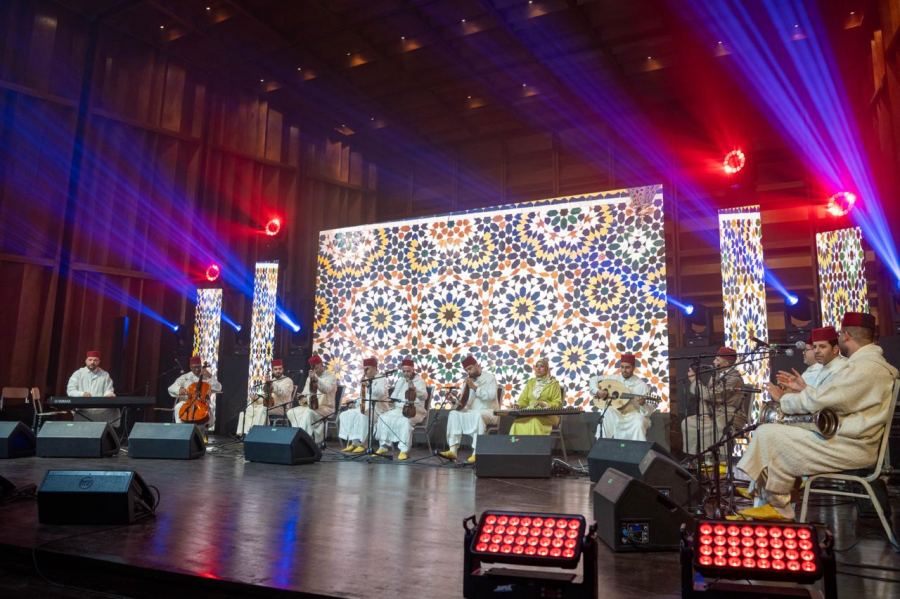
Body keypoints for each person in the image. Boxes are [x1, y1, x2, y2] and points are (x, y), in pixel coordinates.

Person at [737, 312, 898, 520]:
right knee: (774, 434)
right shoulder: (866, 366)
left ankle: (778, 505)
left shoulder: (866, 368)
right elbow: (830, 399)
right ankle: (774, 500)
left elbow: (823, 402)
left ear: (846, 336)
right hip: (846, 439)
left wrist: (784, 399)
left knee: (768, 434)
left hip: (852, 446)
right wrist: (802, 392)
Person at [681, 347, 745, 457]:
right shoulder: (716, 375)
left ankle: (720, 457)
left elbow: (711, 396)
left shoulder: (734, 379)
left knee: (719, 426)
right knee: (687, 423)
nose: (714, 362)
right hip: (713, 413)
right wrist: (705, 413)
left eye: (717, 360)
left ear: (726, 363)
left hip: (731, 414)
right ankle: (697, 456)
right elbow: (705, 397)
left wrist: (695, 381)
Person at [438, 355, 499, 464]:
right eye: (466, 370)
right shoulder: (468, 381)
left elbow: (491, 396)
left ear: (477, 365)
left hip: (489, 412)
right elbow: (466, 403)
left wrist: (474, 388)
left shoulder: (490, 378)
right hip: (472, 412)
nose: (469, 372)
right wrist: (454, 401)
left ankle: (476, 453)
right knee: (453, 413)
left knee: (477, 416)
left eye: (470, 368)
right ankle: (453, 450)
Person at [769, 327, 847, 400]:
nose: (816, 351)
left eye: (822, 347)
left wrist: (783, 398)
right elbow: (815, 396)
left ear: (835, 349)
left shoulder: (843, 368)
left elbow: (822, 401)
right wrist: (798, 387)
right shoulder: (824, 367)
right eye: (815, 347)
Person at [590, 353, 654, 441]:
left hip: (633, 416)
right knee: (607, 411)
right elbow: (593, 379)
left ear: (633, 368)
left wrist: (643, 405)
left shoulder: (642, 385)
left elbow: (649, 412)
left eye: (627, 367)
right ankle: (603, 445)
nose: (624, 370)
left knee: (639, 421)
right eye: (622, 367)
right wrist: (597, 391)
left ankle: (636, 448)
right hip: (617, 413)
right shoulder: (614, 379)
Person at [374, 358, 427, 460]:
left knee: (405, 421)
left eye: (408, 371)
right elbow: (394, 396)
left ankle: (404, 450)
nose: (406, 373)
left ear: (413, 370)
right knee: (383, 417)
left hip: (415, 411)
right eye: (404, 371)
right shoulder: (401, 381)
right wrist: (390, 402)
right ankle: (383, 446)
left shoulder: (419, 381)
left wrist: (415, 390)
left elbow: (424, 396)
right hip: (399, 409)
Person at [339, 357, 388, 453]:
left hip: (378, 409)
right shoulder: (365, 379)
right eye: (364, 369)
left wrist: (368, 385)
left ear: (374, 368)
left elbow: (380, 393)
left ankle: (363, 444)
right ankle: (354, 442)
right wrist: (355, 403)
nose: (365, 372)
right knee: (347, 414)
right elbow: (363, 396)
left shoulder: (381, 378)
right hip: (365, 407)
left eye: (367, 369)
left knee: (362, 415)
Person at [287, 355, 336, 445]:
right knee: (291, 412)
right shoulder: (309, 378)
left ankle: (303, 441)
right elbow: (306, 393)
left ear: (321, 364)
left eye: (316, 368)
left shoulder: (331, 377)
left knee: (308, 413)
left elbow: (326, 390)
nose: (315, 371)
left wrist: (316, 379)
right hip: (311, 406)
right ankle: (298, 437)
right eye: (313, 368)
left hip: (326, 408)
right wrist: (302, 398)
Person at [508, 357, 563, 436]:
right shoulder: (531, 382)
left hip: (548, 416)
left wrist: (545, 404)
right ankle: (515, 443)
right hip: (530, 414)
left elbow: (558, 403)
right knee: (516, 423)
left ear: (547, 369)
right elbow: (524, 400)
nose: (538, 369)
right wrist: (518, 405)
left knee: (534, 422)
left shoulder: (554, 384)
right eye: (537, 366)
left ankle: (535, 444)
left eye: (542, 366)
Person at [238, 359, 293, 434]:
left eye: (280, 369)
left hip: (281, 407)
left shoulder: (288, 380)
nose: (278, 371)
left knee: (262, 409)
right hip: (270, 406)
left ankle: (257, 433)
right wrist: (256, 399)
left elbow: (283, 393)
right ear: (272, 371)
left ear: (283, 369)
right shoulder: (271, 381)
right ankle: (246, 433)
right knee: (249, 408)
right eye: (275, 369)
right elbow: (266, 397)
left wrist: (271, 384)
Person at [169, 356, 222, 430]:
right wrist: (179, 389)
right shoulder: (185, 377)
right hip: (187, 402)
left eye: (198, 367)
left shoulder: (207, 377)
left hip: (203, 403)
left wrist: (210, 376)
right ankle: (180, 429)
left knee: (210, 409)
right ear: (190, 367)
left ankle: (203, 429)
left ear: (201, 366)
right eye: (194, 367)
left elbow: (218, 387)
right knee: (178, 406)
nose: (197, 369)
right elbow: (171, 388)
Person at [66, 350, 117, 425]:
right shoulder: (78, 374)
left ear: (99, 362)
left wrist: (108, 395)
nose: (92, 362)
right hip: (82, 411)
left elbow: (109, 390)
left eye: (95, 360)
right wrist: (82, 394)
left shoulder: (105, 375)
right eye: (90, 360)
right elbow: (70, 391)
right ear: (86, 361)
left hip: (100, 411)